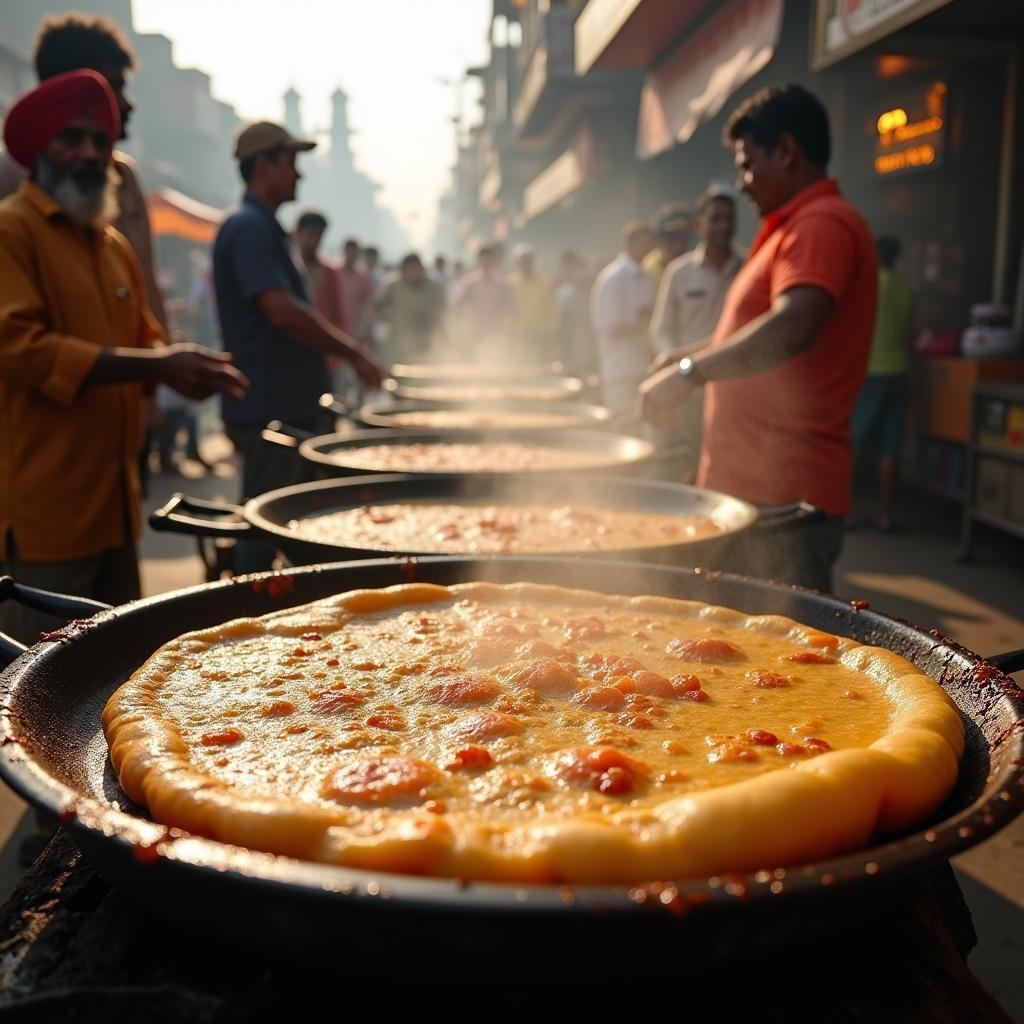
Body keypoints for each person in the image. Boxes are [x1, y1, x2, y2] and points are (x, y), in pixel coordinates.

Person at [0, 71, 247, 644]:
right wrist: (158, 367)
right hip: (48, 520)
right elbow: (19, 349)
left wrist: (188, 373)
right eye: (71, 139)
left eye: (99, 140)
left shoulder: (114, 248)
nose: (89, 153)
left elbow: (146, 343)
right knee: (34, 699)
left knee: (111, 685)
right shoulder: (12, 232)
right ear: (39, 151)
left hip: (116, 510)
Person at [639, 83, 877, 592]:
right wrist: (684, 358)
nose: (742, 184)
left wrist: (691, 373)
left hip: (783, 497)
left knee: (778, 657)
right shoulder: (789, 229)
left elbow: (792, 327)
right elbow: (745, 333)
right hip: (754, 491)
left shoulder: (821, 224)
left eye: (748, 164)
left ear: (787, 152)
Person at [213, 121, 383, 572]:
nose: (298, 175)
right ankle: (240, 614)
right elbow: (282, 311)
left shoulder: (267, 229)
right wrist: (354, 353)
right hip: (272, 409)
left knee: (282, 520)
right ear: (263, 165)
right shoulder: (249, 228)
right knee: (263, 527)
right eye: (291, 163)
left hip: (287, 404)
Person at [649, 189, 744, 478]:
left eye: (728, 219)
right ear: (700, 225)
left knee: (731, 461)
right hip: (689, 384)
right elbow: (661, 330)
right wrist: (673, 362)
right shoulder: (679, 272)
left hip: (737, 383)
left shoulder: (749, 266)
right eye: (715, 219)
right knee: (689, 461)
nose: (723, 226)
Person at [852, 236, 914, 531]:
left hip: (871, 372)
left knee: (854, 443)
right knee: (890, 447)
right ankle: (886, 515)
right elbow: (911, 334)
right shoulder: (905, 289)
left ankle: (847, 512)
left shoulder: (870, 285)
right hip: (899, 373)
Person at [591, 221, 657, 418]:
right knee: (623, 426)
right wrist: (645, 322)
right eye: (646, 243)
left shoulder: (646, 277)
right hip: (619, 370)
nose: (650, 248)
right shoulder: (613, 278)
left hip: (642, 369)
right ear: (632, 244)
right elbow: (610, 327)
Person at [373, 253, 447, 362]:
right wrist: (384, 318)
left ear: (422, 269)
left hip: (426, 343)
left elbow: (445, 315)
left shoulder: (434, 289)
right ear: (403, 271)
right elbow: (376, 306)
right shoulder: (393, 286)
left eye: (416, 269)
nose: (413, 274)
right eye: (409, 270)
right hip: (398, 344)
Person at [451, 244, 517, 356]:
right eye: (483, 259)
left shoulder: (503, 284)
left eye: (489, 259)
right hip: (474, 333)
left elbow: (513, 310)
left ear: (493, 261)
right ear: (479, 261)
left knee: (496, 363)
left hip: (496, 333)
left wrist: (509, 330)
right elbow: (456, 306)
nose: (486, 263)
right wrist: (459, 329)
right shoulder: (470, 283)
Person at [508, 243, 558, 361]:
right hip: (517, 334)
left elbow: (551, 308)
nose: (526, 264)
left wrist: (553, 330)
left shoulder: (545, 283)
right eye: (523, 261)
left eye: (529, 261)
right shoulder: (510, 283)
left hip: (540, 333)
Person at [555, 250, 596, 378]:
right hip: (570, 348)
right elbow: (562, 326)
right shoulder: (564, 294)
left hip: (590, 347)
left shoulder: (593, 294)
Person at [642, 203, 692, 289]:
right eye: (671, 240)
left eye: (682, 239)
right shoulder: (648, 271)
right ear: (658, 240)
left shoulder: (696, 268)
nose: (678, 247)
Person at [339, 237, 375, 346]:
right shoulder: (335, 274)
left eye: (354, 252)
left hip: (357, 334)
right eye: (349, 251)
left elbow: (369, 306)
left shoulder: (363, 278)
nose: (351, 255)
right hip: (338, 330)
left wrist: (367, 333)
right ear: (344, 251)